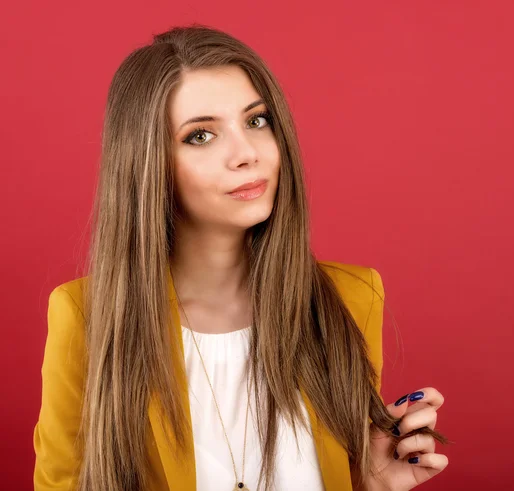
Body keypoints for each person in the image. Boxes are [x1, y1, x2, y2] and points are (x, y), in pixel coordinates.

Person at [33, 24, 449, 491]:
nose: (246, 153)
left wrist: (370, 486)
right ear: (148, 164)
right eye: (201, 136)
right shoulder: (87, 316)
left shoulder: (353, 298)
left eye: (256, 121)